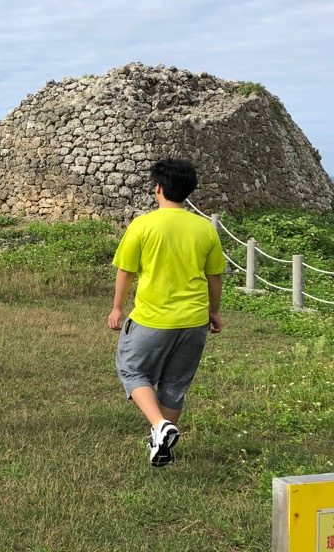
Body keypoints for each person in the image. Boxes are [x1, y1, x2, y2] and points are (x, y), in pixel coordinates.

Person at [108, 158, 224, 467]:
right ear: (189, 190)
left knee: (132, 370)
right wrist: (214, 312)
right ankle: (161, 444)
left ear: (158, 188)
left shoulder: (143, 225)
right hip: (195, 321)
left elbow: (126, 271)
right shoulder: (205, 228)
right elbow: (214, 276)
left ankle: (159, 425)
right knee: (175, 384)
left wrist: (117, 307)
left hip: (152, 319)